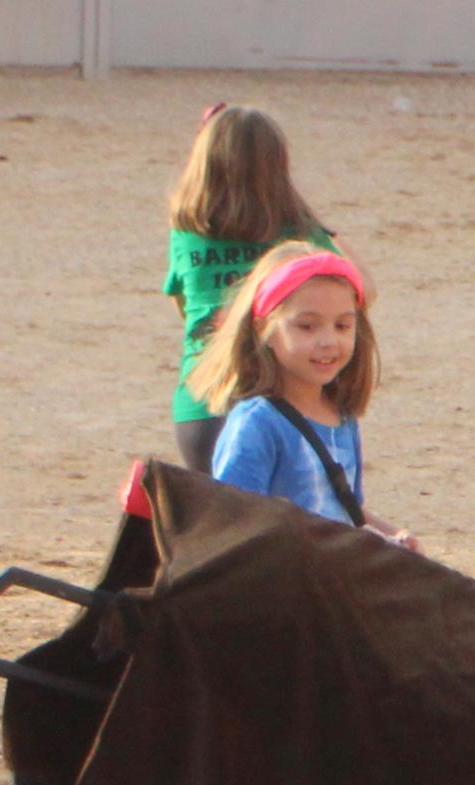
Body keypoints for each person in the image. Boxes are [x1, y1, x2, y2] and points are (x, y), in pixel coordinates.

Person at [199, 246, 411, 544]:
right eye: (307, 326)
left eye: (342, 326)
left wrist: (394, 535)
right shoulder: (257, 424)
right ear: (264, 329)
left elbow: (346, 508)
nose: (329, 341)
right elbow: (230, 525)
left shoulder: (341, 415)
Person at [163, 103, 328, 476]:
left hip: (201, 403)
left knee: (216, 508)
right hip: (274, 401)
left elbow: (185, 307)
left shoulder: (187, 230)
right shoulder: (298, 233)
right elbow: (356, 285)